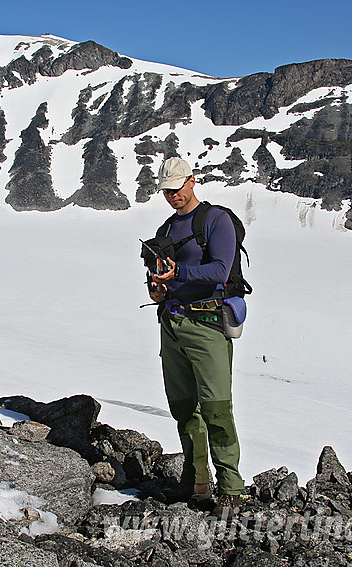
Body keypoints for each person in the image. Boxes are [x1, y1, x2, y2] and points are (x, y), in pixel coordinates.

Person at [147, 156, 244, 519]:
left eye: (176, 188)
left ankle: (231, 488)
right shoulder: (167, 228)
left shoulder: (216, 220)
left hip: (206, 325)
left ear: (192, 181)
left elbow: (220, 270)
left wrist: (177, 274)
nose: (172, 196)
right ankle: (196, 481)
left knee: (217, 407)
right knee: (185, 408)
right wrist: (158, 288)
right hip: (172, 323)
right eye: (166, 191)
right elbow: (159, 276)